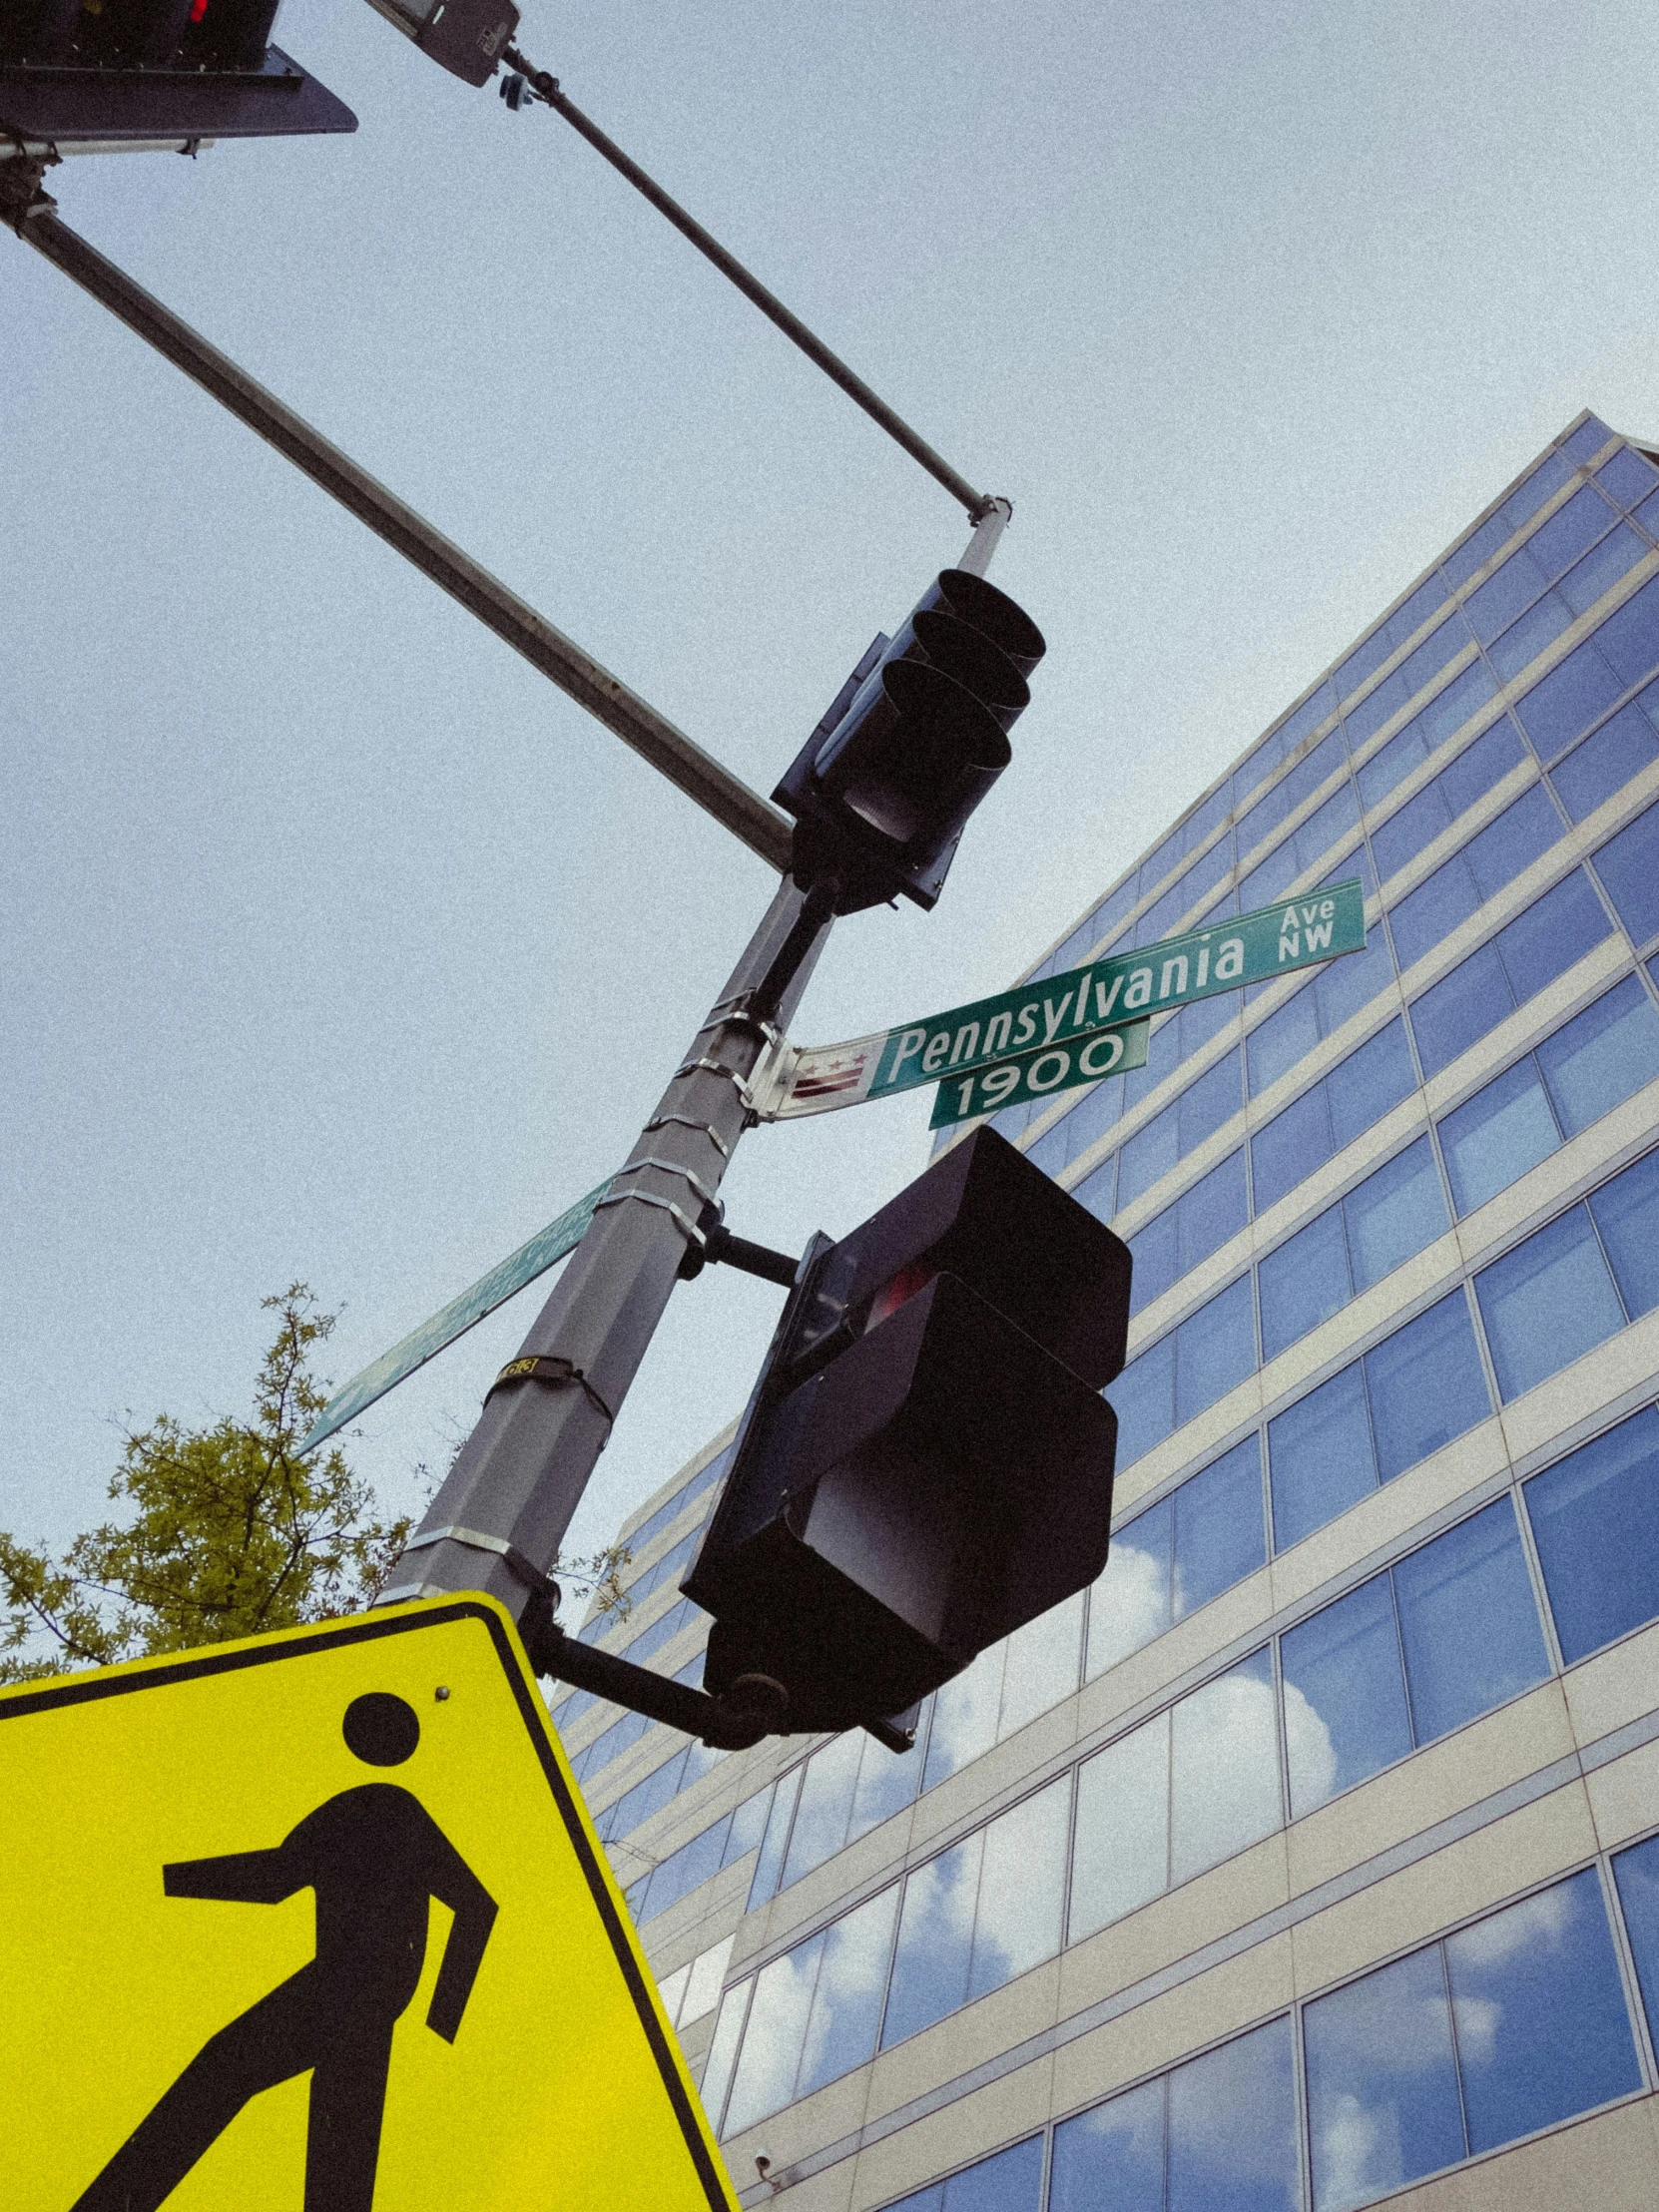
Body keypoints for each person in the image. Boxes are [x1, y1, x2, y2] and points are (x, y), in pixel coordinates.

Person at [73, 1691, 496, 2212]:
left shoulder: (397, 1810)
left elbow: (476, 1906)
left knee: (269, 2091)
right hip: (344, 1985)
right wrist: (162, 1877)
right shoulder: (346, 1809)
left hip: (362, 1991)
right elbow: (274, 1878)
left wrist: (442, 2020)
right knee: (324, 2134)